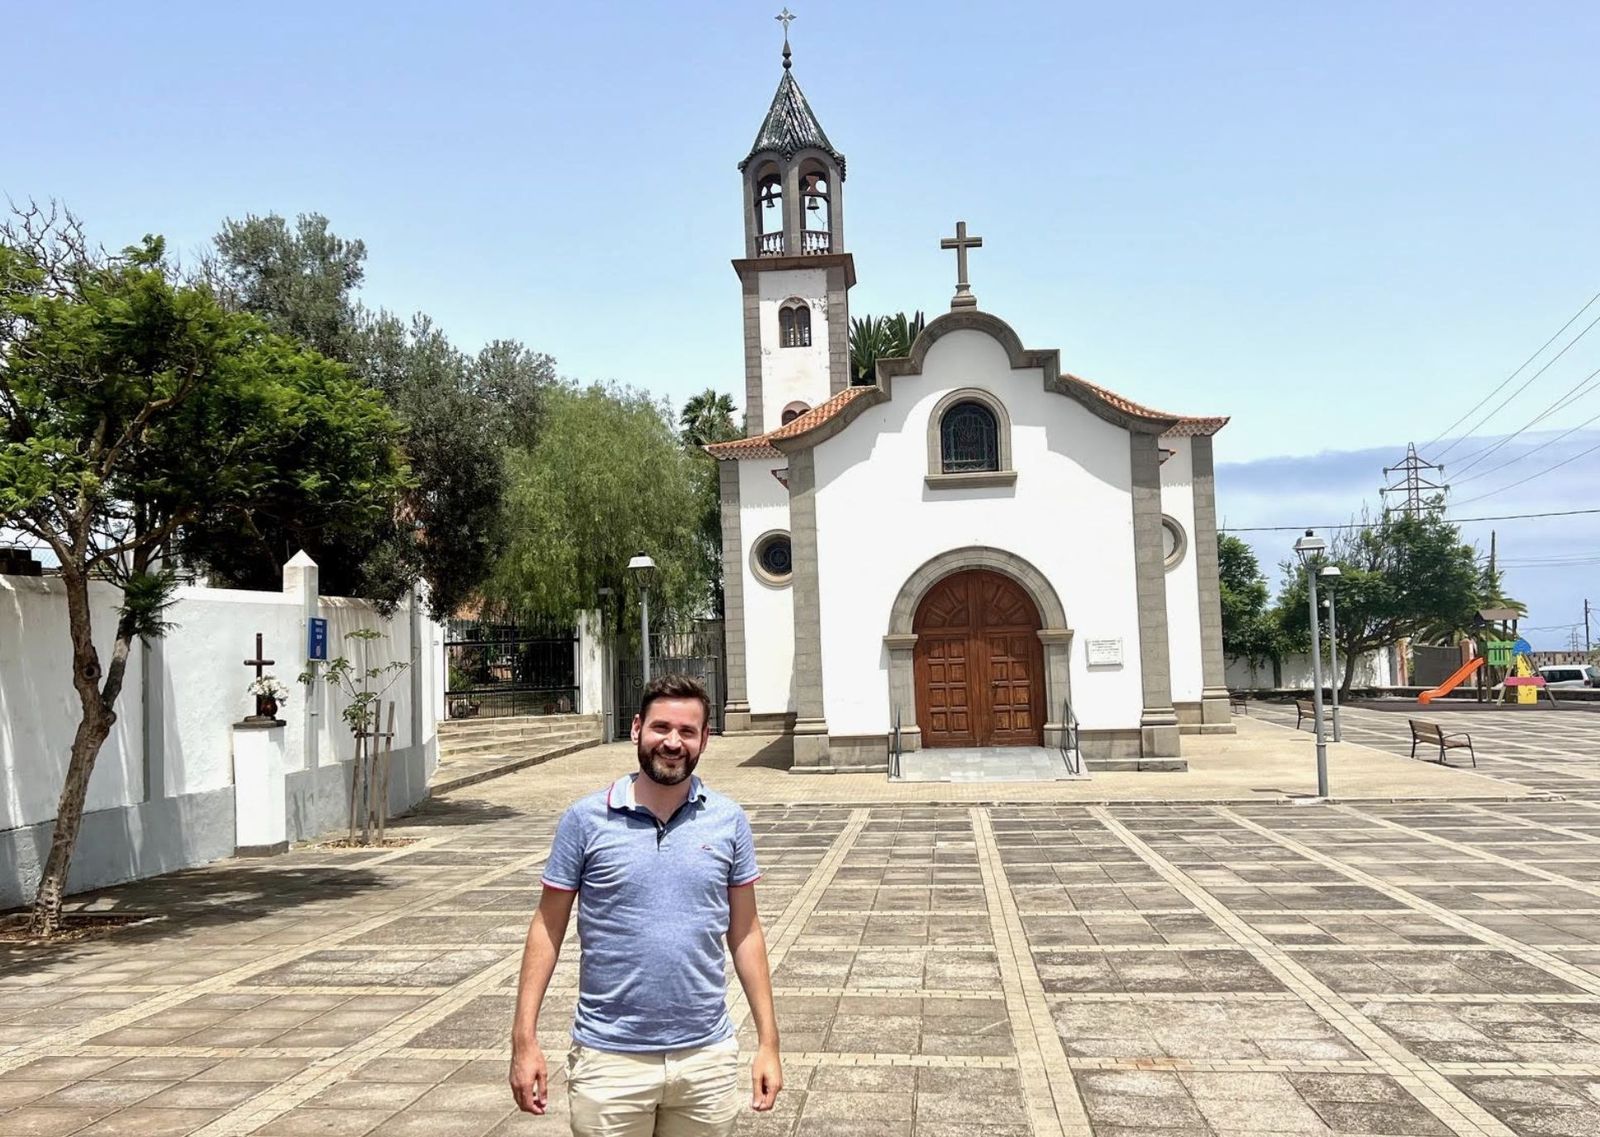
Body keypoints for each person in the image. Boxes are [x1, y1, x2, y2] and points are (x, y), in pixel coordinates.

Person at [508, 674, 782, 1134]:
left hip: (705, 1058)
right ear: (637, 729)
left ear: (704, 740)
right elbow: (547, 927)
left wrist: (768, 1044)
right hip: (609, 1058)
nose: (672, 742)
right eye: (661, 727)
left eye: (687, 731)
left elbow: (746, 931)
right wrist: (524, 1041)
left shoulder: (728, 821)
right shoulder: (584, 820)